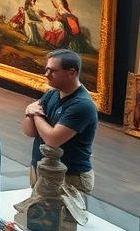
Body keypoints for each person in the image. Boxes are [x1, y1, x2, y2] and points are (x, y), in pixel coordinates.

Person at [21, 49, 98, 193]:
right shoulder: (51, 94)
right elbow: (29, 131)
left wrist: (35, 113)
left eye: (52, 71)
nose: (46, 75)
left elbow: (53, 140)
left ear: (72, 72)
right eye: (46, 70)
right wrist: (28, 111)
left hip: (69, 177)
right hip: (41, 169)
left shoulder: (82, 105)